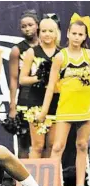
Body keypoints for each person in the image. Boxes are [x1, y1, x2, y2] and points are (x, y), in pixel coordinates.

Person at [37, 13, 90, 186]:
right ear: (67, 33)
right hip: (65, 109)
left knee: (82, 145)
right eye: (73, 33)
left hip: (86, 109)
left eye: (80, 34)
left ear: (85, 37)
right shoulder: (61, 57)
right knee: (57, 146)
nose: (76, 37)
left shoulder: (88, 56)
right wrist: (43, 112)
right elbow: (51, 87)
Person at [19, 16, 61, 158]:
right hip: (36, 101)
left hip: (56, 102)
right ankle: (32, 180)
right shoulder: (32, 52)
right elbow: (22, 79)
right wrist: (40, 78)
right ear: (39, 32)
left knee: (51, 145)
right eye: (44, 31)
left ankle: (48, 179)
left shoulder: (62, 54)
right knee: (37, 146)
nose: (47, 34)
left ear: (56, 33)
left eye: (50, 31)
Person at [8, 10, 39, 158]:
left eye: (30, 25)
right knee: (24, 141)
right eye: (23, 26)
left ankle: (46, 178)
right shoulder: (17, 50)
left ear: (37, 25)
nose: (27, 29)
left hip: (44, 98)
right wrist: (12, 106)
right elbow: (14, 79)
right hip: (25, 98)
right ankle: (21, 179)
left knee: (42, 142)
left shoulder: (47, 46)